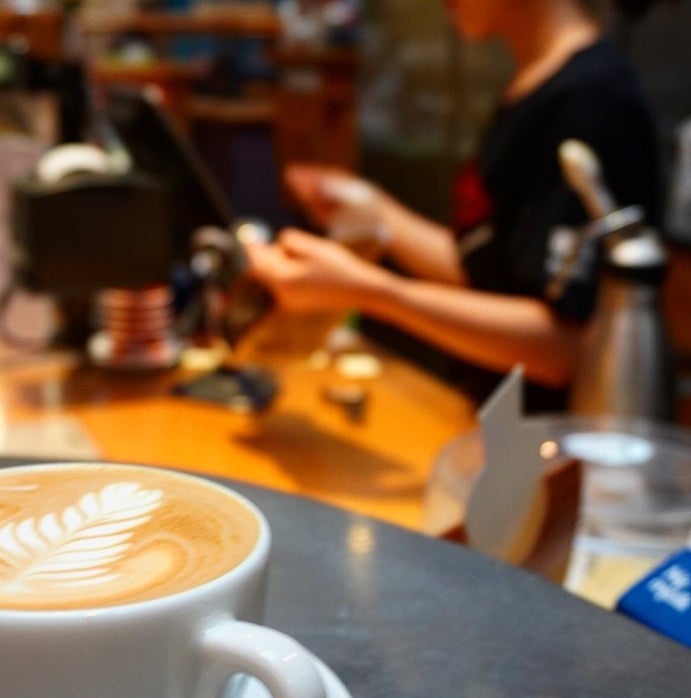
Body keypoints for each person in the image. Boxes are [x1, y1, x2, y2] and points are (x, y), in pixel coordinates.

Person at [247, 0, 667, 409]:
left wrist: (371, 291)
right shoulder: (535, 82)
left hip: (545, 455)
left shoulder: (595, 103)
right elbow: (489, 271)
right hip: (482, 420)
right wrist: (375, 211)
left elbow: (565, 348)